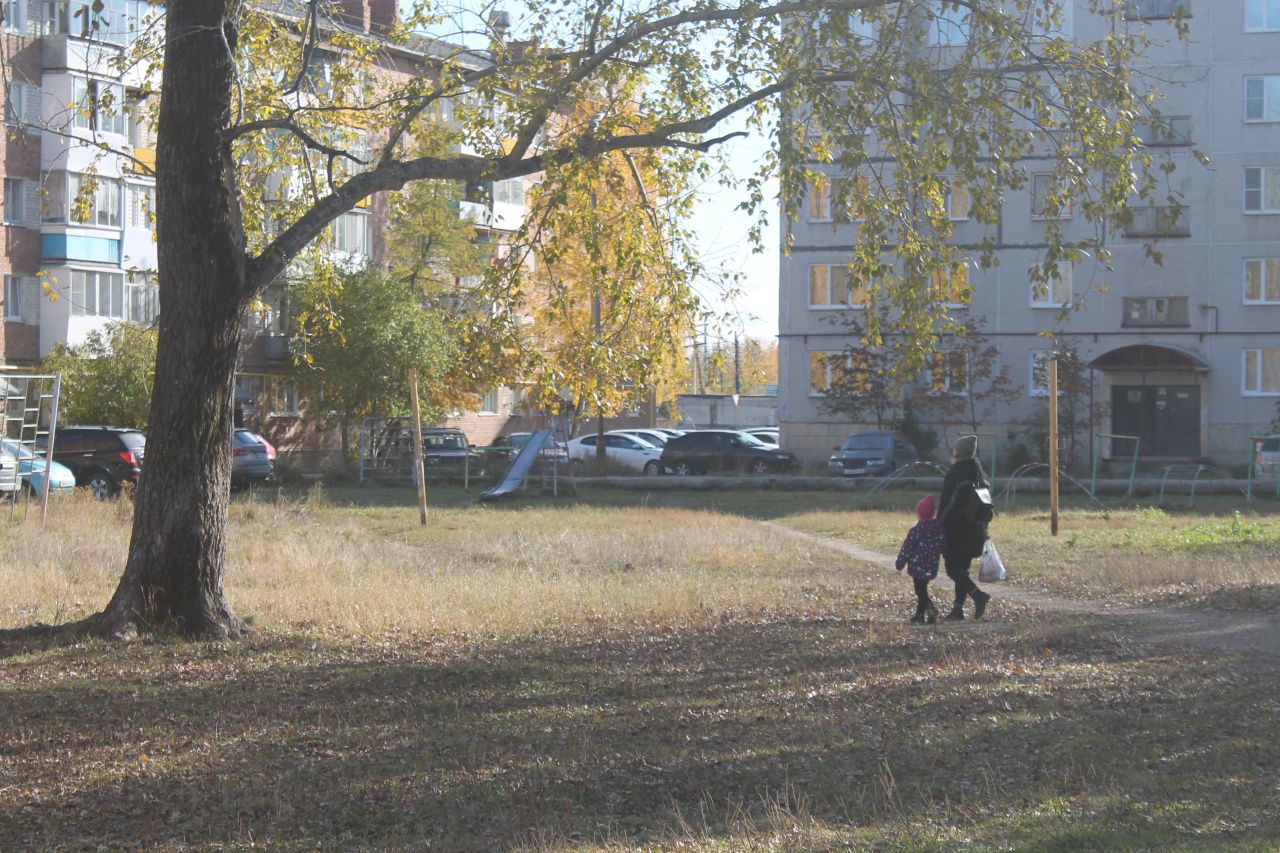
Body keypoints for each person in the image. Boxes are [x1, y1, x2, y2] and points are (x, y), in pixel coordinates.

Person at [937, 435, 992, 620]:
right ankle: (958, 609)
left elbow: (947, 503)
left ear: (959, 451)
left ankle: (978, 595)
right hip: (976, 529)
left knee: (953, 569)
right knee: (963, 570)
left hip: (956, 530)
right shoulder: (980, 474)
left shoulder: (956, 473)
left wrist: (939, 524)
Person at [895, 495, 945, 624]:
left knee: (920, 591)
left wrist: (900, 563)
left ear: (920, 514)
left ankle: (921, 614)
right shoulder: (939, 530)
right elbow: (944, 546)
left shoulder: (916, 531)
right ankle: (927, 612)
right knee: (922, 589)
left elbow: (907, 548)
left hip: (917, 567)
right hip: (931, 566)